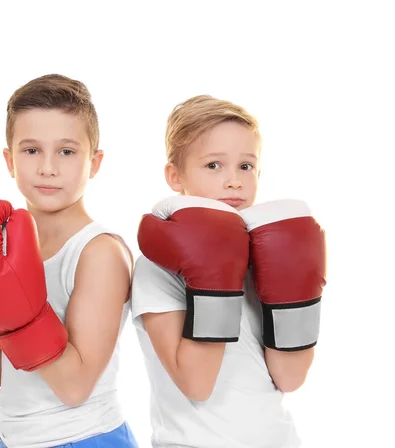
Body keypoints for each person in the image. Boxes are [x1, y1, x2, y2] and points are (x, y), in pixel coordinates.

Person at [0, 74, 139, 448]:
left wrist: (19, 313)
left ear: (95, 163)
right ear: (9, 160)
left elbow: (75, 387)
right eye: (31, 150)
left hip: (87, 439)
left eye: (67, 151)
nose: (48, 167)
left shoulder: (98, 253)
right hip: (13, 440)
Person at [131, 94, 326, 447]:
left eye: (245, 166)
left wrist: (296, 286)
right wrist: (214, 278)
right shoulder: (155, 269)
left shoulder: (270, 252)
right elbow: (197, 384)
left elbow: (290, 378)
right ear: (175, 176)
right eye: (214, 166)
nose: (234, 181)